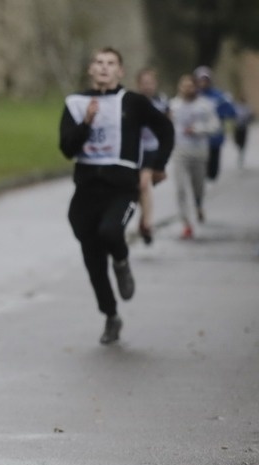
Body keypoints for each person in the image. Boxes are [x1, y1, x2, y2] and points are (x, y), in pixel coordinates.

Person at [59, 47, 174, 345]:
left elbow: (165, 128)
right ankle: (111, 316)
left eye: (111, 64)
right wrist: (86, 124)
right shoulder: (75, 103)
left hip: (121, 187)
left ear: (120, 72)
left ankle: (122, 262)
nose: (104, 68)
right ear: (90, 69)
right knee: (93, 259)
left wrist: (156, 165)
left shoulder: (133, 103)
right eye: (98, 63)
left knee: (111, 231)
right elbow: (67, 148)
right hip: (86, 190)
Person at [169, 74, 221, 239]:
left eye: (190, 86)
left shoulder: (205, 105)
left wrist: (198, 129)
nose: (187, 89)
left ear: (195, 87)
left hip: (199, 152)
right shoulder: (173, 105)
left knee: (198, 187)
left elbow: (215, 126)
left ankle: (198, 204)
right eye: (183, 86)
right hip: (179, 152)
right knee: (180, 189)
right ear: (179, 88)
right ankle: (186, 223)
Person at [135, 67, 169, 245]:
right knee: (138, 189)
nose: (148, 86)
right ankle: (143, 219)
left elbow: (168, 129)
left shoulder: (162, 102)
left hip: (152, 149)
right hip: (134, 150)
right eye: (144, 83)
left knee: (143, 184)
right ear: (139, 85)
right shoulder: (132, 102)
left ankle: (147, 223)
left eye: (150, 83)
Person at [193, 66, 236, 181]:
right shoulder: (192, 95)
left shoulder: (219, 96)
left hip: (214, 137)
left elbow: (231, 112)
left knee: (212, 173)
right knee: (199, 167)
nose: (203, 82)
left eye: (205, 80)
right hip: (197, 138)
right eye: (200, 80)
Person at [232, 96, 253, 170]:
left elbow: (250, 116)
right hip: (237, 127)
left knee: (243, 142)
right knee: (237, 141)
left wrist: (247, 121)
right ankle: (240, 148)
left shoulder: (247, 108)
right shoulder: (236, 107)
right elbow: (232, 115)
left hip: (243, 127)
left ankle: (241, 152)